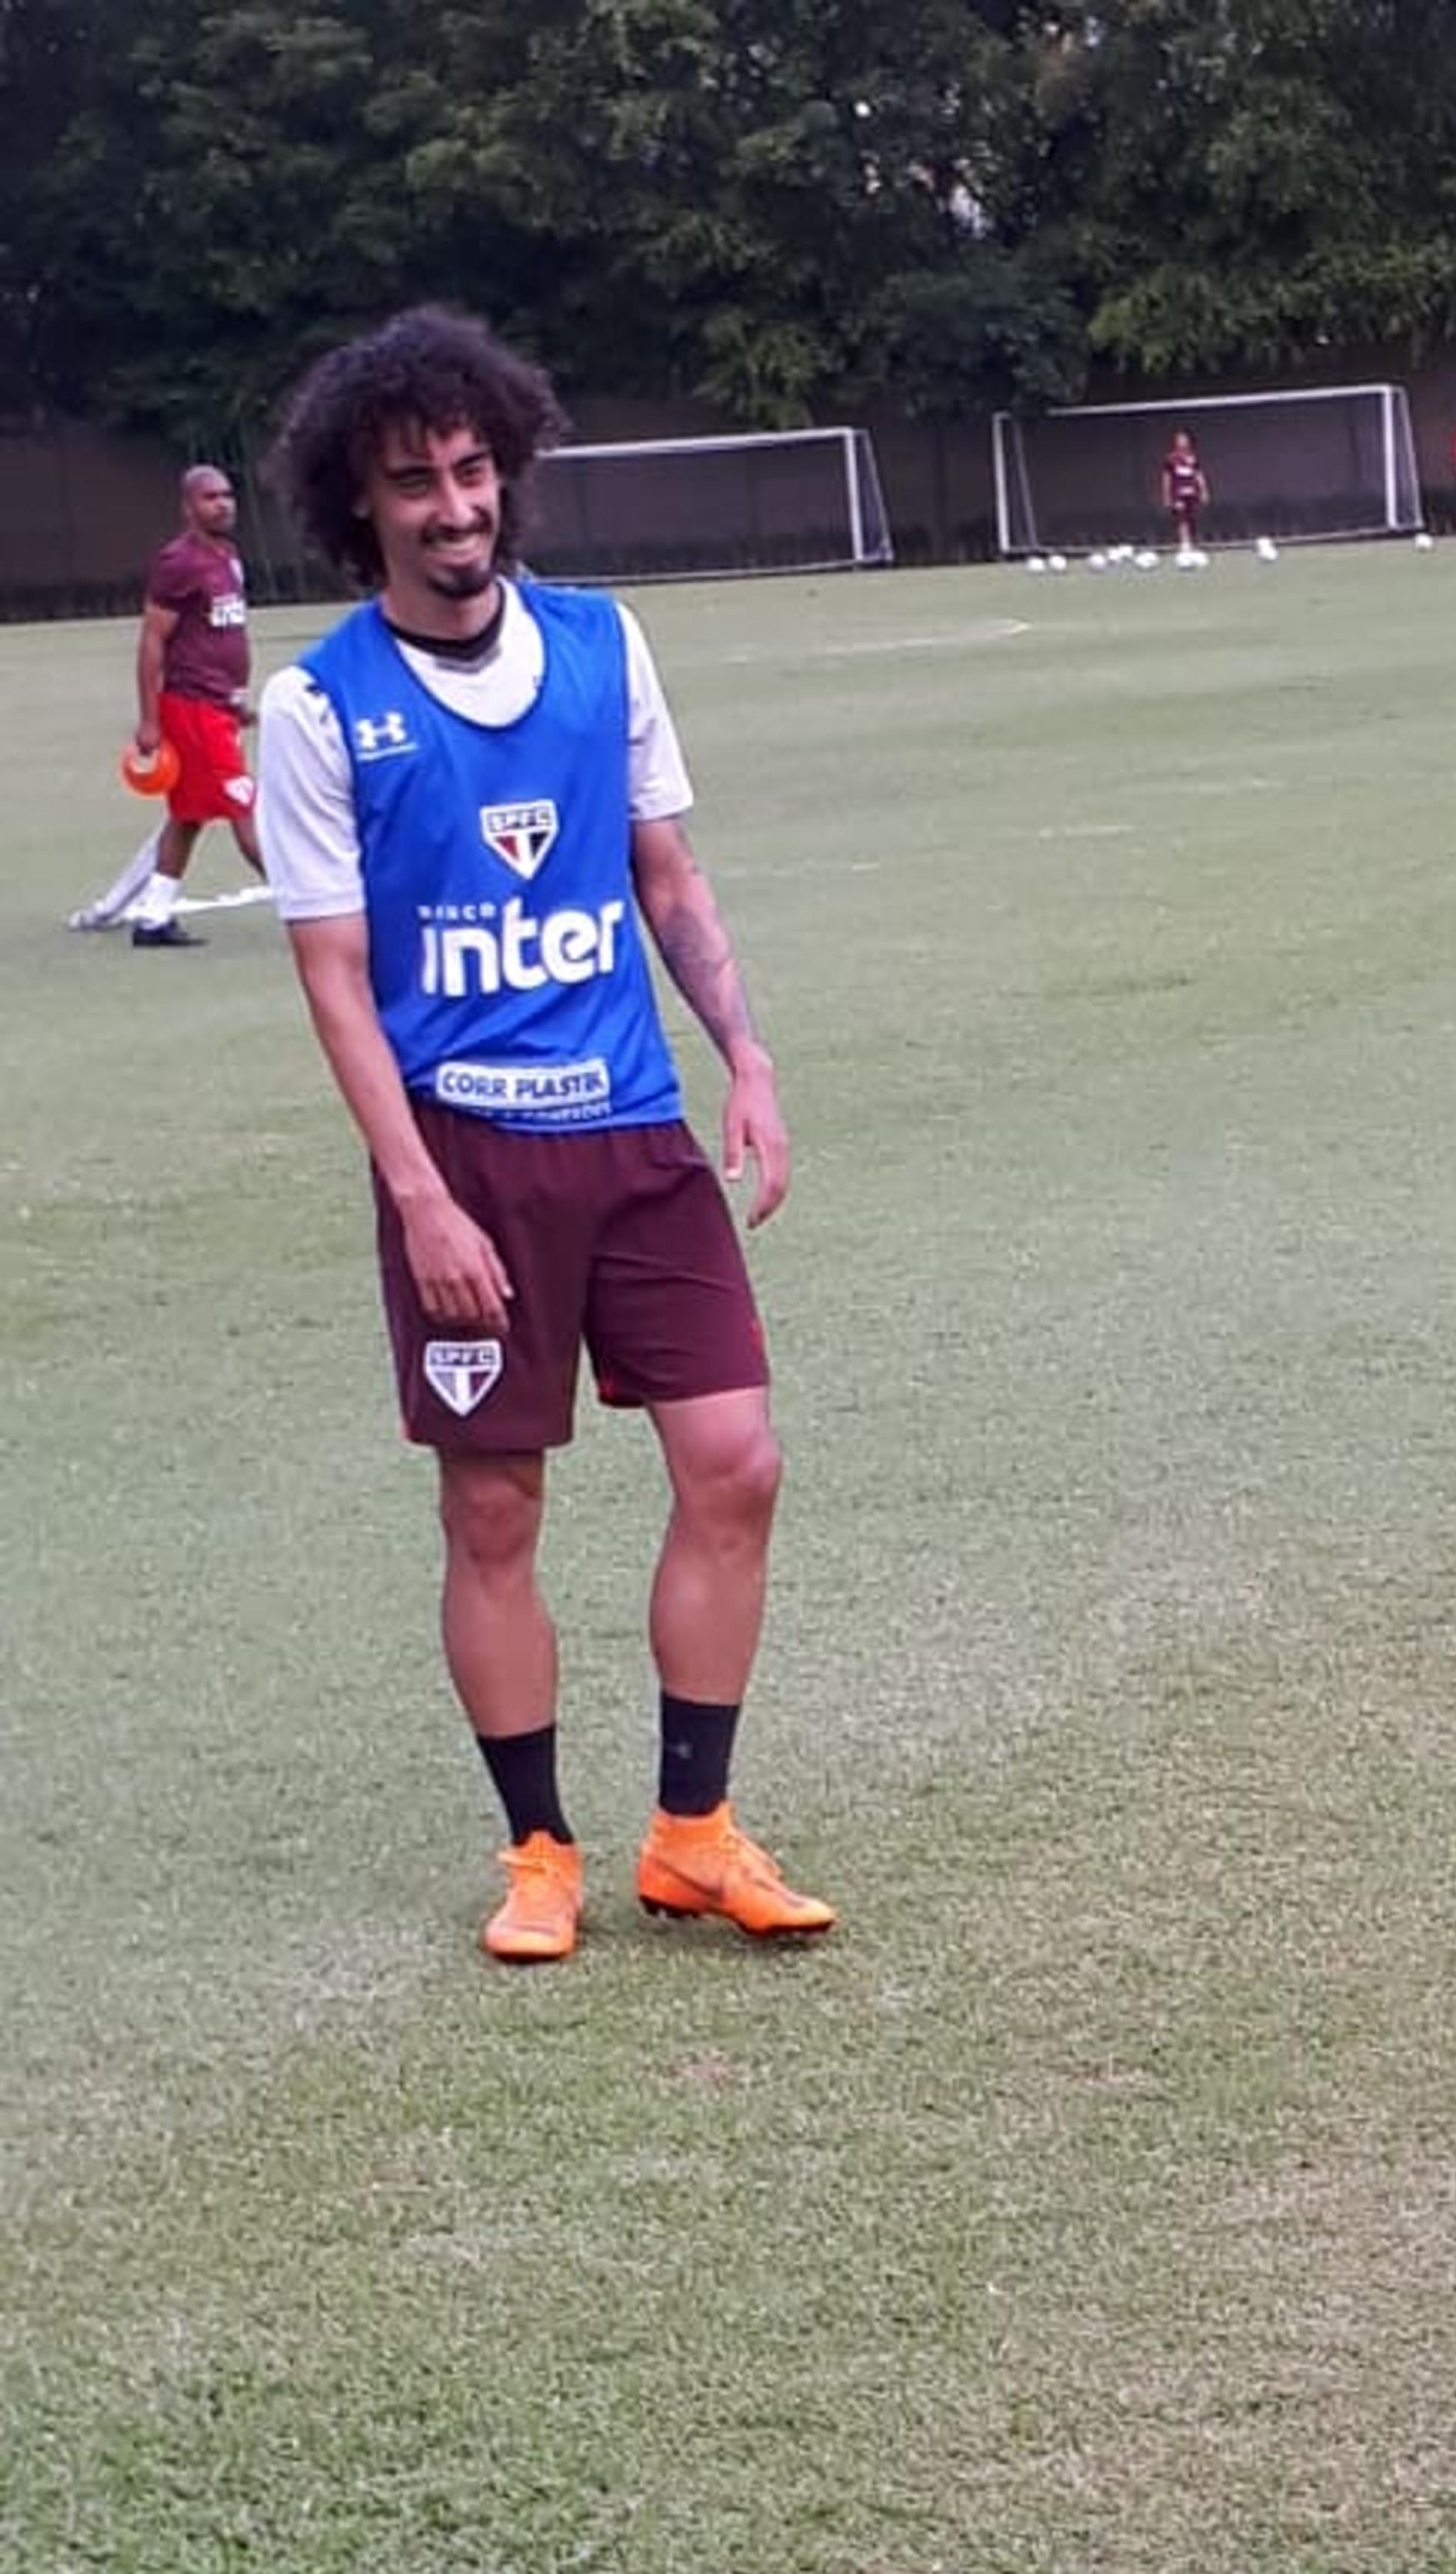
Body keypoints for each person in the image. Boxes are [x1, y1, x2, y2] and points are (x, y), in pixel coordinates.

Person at [256, 305, 833, 1965]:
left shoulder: (603, 645)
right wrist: (420, 1199)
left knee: (739, 1459)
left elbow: (667, 879)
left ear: (506, 469)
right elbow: (338, 984)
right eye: (411, 481)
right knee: (495, 1512)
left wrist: (747, 1054)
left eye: (470, 468)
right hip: (472, 1162)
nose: (452, 504)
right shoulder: (319, 711)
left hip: (637, 1135)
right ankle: (538, 1850)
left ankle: (692, 1832)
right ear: (358, 505)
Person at [75, 463, 268, 943]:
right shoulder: (179, 562)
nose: (223, 503)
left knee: (188, 815)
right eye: (210, 497)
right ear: (188, 507)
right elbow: (153, 640)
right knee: (248, 813)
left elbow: (225, 634)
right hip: (191, 709)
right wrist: (149, 720)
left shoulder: (228, 557)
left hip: (218, 707)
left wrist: (238, 700)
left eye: (227, 494)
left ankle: (153, 917)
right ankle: (316, 910)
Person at [1160, 429, 1209, 558]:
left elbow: (1199, 474)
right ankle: (1185, 544)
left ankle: (1192, 543)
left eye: (1184, 439)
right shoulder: (1171, 458)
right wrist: (1166, 496)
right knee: (1182, 518)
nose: (1182, 441)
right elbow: (1166, 477)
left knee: (1191, 517)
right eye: (1179, 439)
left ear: (1189, 441)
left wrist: (1204, 490)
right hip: (1178, 494)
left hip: (1191, 493)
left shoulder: (1193, 457)